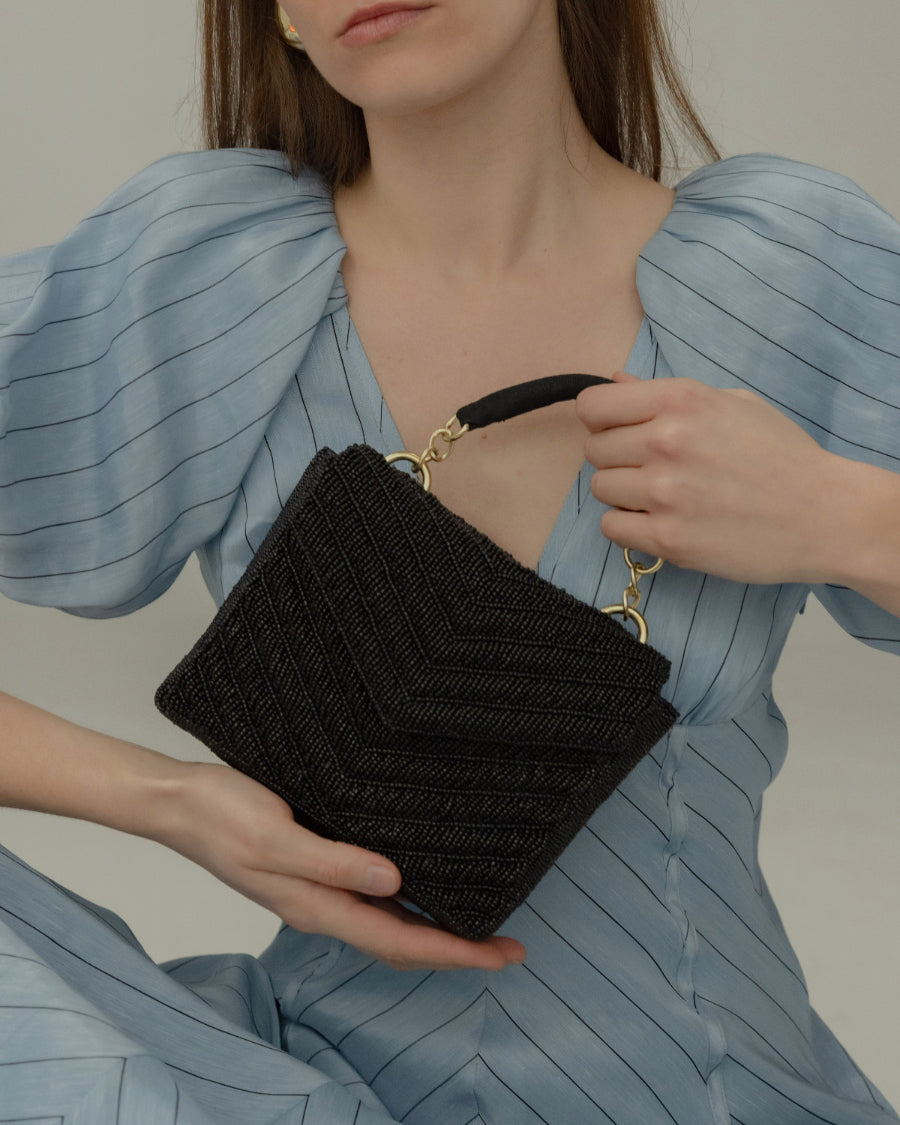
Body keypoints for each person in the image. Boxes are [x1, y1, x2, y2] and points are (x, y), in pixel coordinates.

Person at [1, 1, 898, 1122]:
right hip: (313, 1089)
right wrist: (167, 799)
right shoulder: (201, 277)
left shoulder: (787, 271)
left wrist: (849, 518)